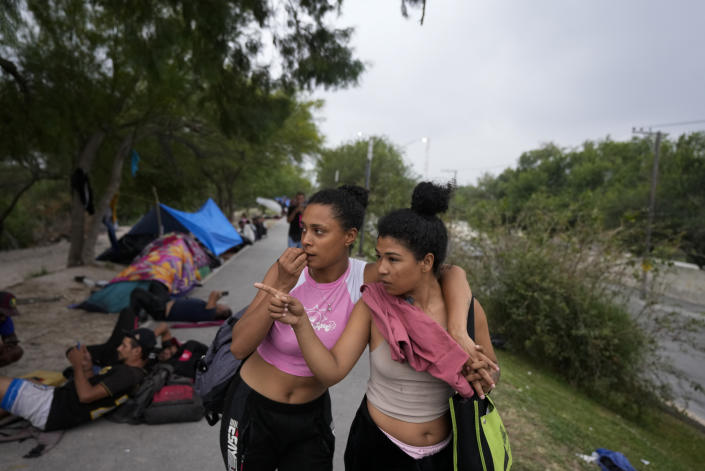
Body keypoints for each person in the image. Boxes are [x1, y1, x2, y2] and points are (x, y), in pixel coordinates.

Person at [220, 184, 496, 470]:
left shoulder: (365, 277)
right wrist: (282, 285)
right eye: (304, 229)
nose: (306, 241)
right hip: (254, 407)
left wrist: (458, 329)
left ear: (349, 236)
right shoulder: (288, 270)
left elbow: (447, 271)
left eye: (318, 231)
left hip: (310, 415)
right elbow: (239, 347)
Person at [0, 328, 154, 432]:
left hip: (50, 409)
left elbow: (86, 396)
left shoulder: (127, 375)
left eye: (124, 346)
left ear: (137, 351)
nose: (119, 348)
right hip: (56, 403)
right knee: (28, 383)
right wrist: (87, 366)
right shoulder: (132, 373)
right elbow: (93, 388)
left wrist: (77, 366)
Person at [129, 283, 231, 322]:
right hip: (167, 302)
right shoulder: (210, 309)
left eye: (224, 306)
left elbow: (213, 294)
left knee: (137, 292)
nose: (222, 304)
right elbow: (213, 300)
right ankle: (146, 308)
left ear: (223, 311)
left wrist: (220, 293)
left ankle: (135, 317)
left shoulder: (210, 314)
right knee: (157, 284)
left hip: (162, 309)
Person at [0, 291, 23, 367]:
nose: (3, 317)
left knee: (16, 351)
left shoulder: (5, 320)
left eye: (7, 314)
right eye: (1, 313)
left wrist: (7, 347)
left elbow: (11, 340)